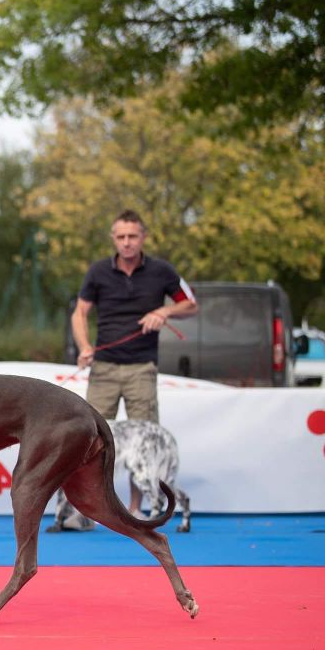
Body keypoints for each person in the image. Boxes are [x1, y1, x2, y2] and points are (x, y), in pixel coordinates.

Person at [62, 209, 197, 527]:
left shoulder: (162, 271)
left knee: (143, 444)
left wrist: (165, 311)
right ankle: (87, 513)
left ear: (143, 237)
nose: (126, 242)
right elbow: (80, 314)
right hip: (104, 368)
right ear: (113, 239)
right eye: (120, 236)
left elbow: (191, 305)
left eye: (132, 236)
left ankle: (135, 512)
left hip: (142, 368)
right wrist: (84, 346)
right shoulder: (97, 272)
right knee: (90, 439)